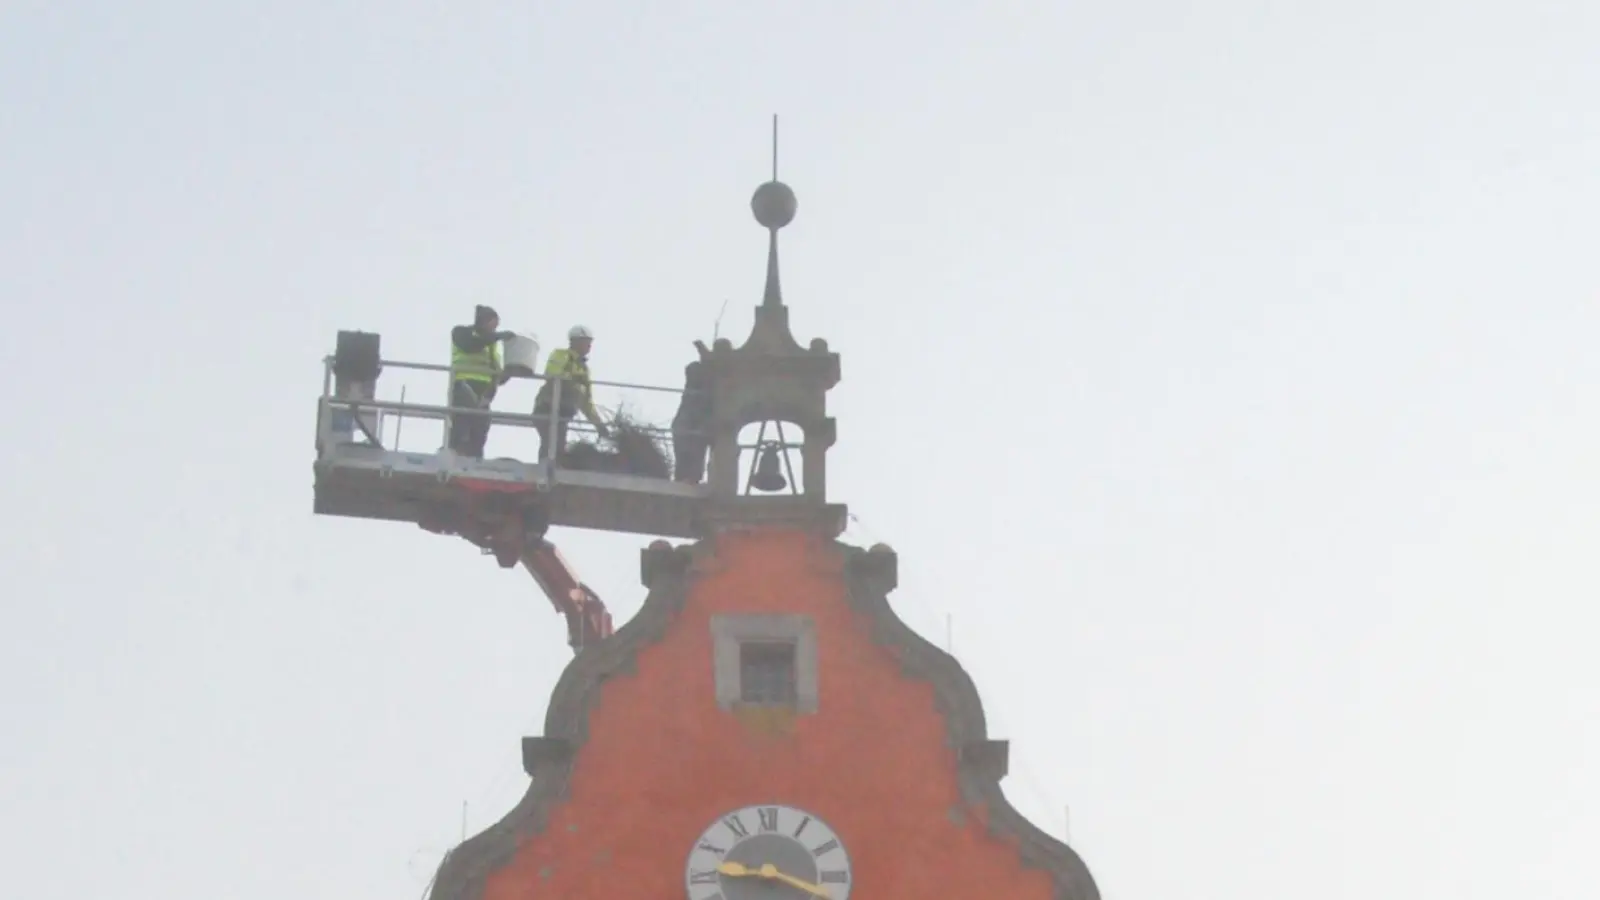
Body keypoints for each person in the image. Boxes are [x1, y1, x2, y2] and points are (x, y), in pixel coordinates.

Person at [533, 325, 610, 462]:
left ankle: (552, 467)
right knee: (551, 442)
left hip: (563, 414)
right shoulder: (561, 355)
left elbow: (586, 403)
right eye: (586, 342)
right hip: (546, 408)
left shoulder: (584, 369)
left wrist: (599, 425)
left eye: (590, 342)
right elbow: (552, 374)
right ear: (575, 341)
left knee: (559, 445)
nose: (589, 346)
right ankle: (544, 470)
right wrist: (573, 379)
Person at [448, 305, 513, 457]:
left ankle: (475, 459)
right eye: (492, 324)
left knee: (480, 430)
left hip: (484, 394)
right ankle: (454, 454)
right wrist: (497, 337)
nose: (494, 329)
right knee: (462, 425)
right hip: (464, 384)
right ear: (483, 320)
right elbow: (470, 345)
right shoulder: (461, 332)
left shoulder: (491, 345)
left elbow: (497, 374)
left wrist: (511, 370)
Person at [671, 339, 713, 483]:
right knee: (686, 450)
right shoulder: (695, 389)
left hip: (695, 424)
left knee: (694, 448)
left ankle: (690, 477)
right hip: (688, 423)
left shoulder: (704, 388)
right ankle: (684, 477)